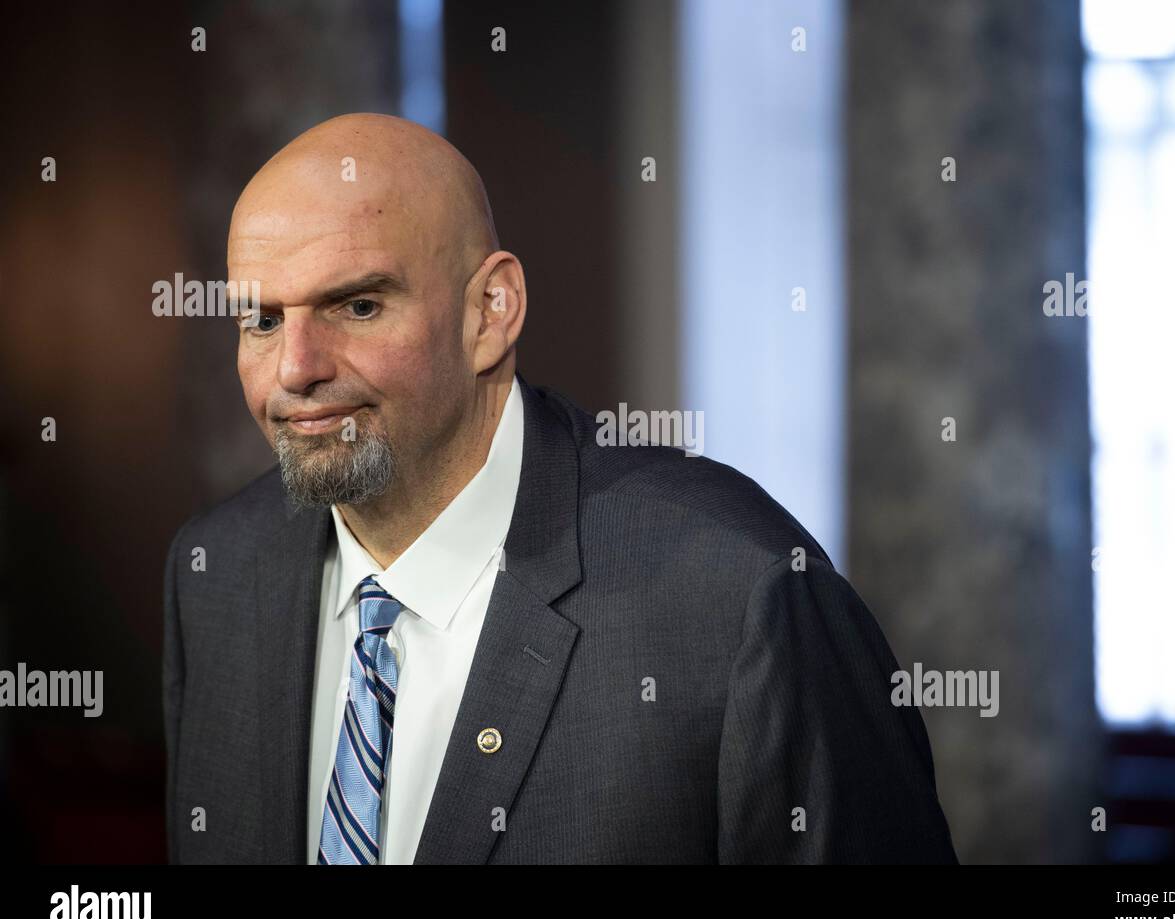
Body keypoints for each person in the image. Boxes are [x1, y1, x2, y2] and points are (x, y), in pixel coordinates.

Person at [162, 113, 958, 864]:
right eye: (261, 320)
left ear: (491, 311)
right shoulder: (214, 573)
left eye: (359, 304)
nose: (296, 368)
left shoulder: (740, 595)